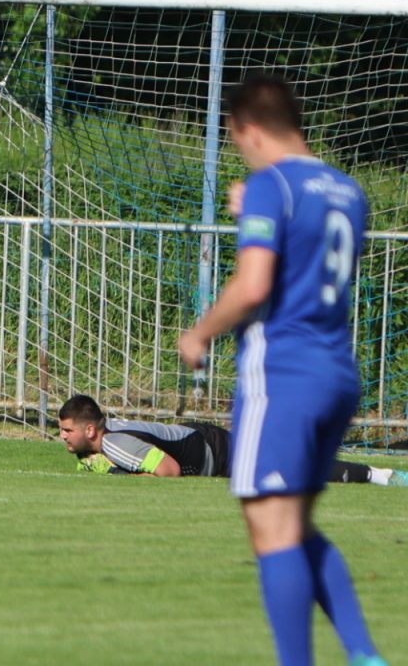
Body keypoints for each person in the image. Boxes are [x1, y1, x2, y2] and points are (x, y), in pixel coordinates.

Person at [177, 73, 385, 666]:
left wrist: (199, 333)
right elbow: (307, 254)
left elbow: (254, 286)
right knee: (295, 529)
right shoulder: (348, 190)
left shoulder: (272, 185)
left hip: (283, 373)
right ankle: (364, 655)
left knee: (270, 532)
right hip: (336, 373)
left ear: (246, 129)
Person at [58, 394, 407, 487]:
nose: (62, 437)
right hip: (206, 442)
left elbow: (169, 472)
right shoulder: (107, 435)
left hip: (218, 451)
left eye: (67, 431)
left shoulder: (113, 443)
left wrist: (123, 479)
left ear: (90, 430)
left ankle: (381, 476)